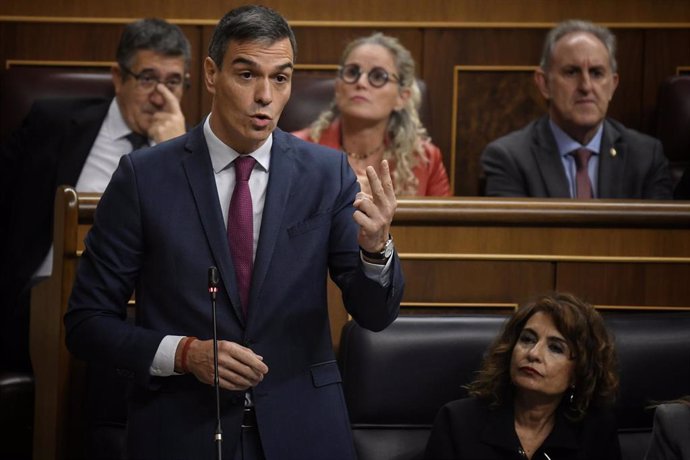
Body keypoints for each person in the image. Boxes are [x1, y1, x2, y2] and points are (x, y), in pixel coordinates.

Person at [64, 5, 404, 460]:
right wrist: (184, 353)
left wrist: (376, 248)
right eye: (246, 75)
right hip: (183, 431)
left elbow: (375, 315)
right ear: (210, 74)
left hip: (304, 431)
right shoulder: (143, 178)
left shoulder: (326, 174)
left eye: (280, 78)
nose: (264, 95)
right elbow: (86, 324)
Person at [0, 17, 190, 374]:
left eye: (174, 82)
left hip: (143, 309)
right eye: (148, 78)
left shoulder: (191, 153)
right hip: (41, 298)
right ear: (118, 77)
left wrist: (175, 154)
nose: (160, 96)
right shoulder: (52, 124)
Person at [481, 19, 673, 199]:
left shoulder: (647, 158)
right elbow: (512, 236)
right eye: (571, 72)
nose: (586, 86)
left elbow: (660, 235)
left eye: (596, 73)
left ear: (612, 86)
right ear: (544, 84)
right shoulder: (509, 159)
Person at [425, 293, 621, 460]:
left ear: (579, 373)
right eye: (527, 339)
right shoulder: (458, 422)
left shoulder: (596, 432)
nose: (533, 353)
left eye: (555, 348)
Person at [292, 32, 451, 197]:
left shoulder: (426, 159)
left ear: (402, 97)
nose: (361, 83)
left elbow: (444, 222)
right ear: (338, 87)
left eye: (378, 76)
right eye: (352, 72)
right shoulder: (296, 150)